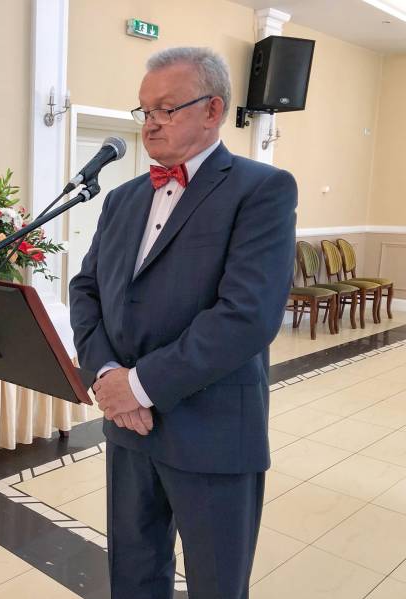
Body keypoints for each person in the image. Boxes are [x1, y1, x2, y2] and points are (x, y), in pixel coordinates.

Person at [69, 47, 296, 599]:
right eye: (144, 110)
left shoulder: (260, 189)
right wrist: (107, 375)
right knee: (133, 574)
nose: (150, 123)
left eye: (166, 109)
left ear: (213, 109)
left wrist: (139, 386)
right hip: (129, 428)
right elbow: (86, 289)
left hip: (211, 428)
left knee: (216, 583)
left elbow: (246, 316)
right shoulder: (122, 199)